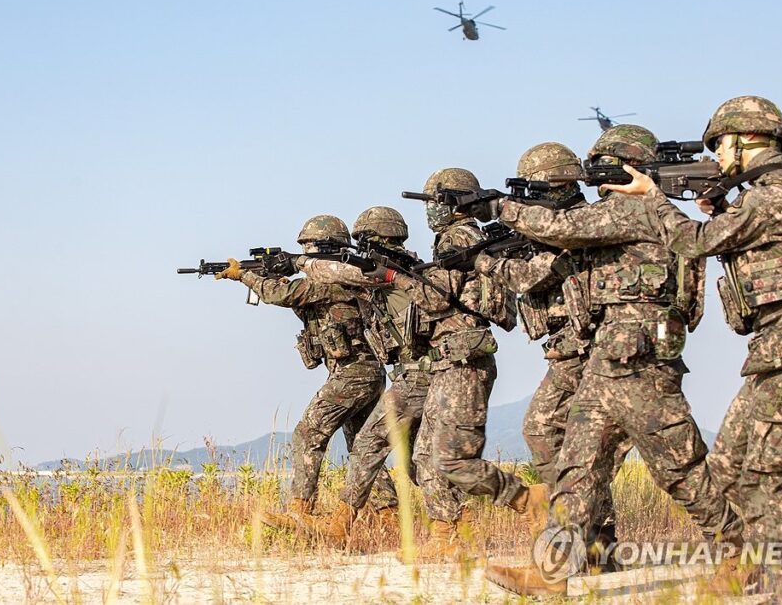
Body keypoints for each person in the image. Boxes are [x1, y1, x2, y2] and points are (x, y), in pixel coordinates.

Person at [484, 126, 742, 596]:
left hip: (641, 356)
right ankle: (551, 572)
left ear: (630, 166)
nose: (595, 176)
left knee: (680, 466)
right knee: (578, 465)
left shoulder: (638, 208)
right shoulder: (626, 212)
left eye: (604, 164)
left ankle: (740, 551)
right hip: (610, 355)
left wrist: (498, 208)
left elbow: (563, 228)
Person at [606, 96, 782, 602]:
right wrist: (722, 208)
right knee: (728, 471)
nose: (716, 155)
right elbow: (747, 238)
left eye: (721, 144)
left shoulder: (776, 193)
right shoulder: (766, 196)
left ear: (747, 139)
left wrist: (652, 199)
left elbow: (695, 243)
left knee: (760, 479)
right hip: (779, 347)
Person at [376, 168, 546, 561]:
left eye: (434, 202)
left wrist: (391, 278)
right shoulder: (457, 240)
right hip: (448, 361)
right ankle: (446, 534)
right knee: (425, 456)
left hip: (465, 360)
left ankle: (526, 499)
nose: (430, 212)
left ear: (452, 204)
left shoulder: (459, 239)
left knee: (451, 456)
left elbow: (435, 299)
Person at [475, 142, 628, 551]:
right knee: (558, 437)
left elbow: (531, 277)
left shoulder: (578, 223)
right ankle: (594, 538)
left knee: (556, 434)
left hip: (588, 346)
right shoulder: (557, 225)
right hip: (570, 347)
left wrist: (487, 263)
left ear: (558, 184)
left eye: (536, 189)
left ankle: (581, 535)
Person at [216, 215, 397, 529]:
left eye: (308, 247)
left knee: (308, 433)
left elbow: (283, 295)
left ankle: (301, 509)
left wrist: (244, 276)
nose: (305, 253)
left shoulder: (333, 278)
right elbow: (296, 296)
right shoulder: (339, 279)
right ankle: (389, 516)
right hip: (361, 372)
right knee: (362, 446)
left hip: (354, 373)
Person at [295, 206, 432, 547]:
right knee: (415, 463)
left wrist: (291, 266)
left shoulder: (385, 270)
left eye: (366, 240)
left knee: (349, 440)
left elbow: (304, 286)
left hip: (413, 374)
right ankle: (389, 519)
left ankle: (323, 517)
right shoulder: (394, 269)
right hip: (406, 372)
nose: (361, 248)